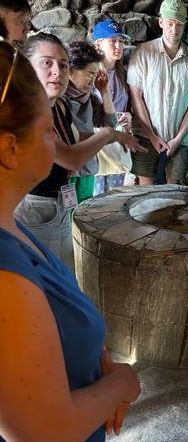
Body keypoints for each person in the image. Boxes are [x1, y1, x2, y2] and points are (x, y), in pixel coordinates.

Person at [0, 40, 140, 442]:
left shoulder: (13, 224)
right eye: (46, 133)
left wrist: (93, 351)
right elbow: (40, 433)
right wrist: (121, 384)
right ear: (10, 148)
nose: (55, 143)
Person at [16, 33, 144, 267]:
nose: (58, 71)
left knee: (64, 271)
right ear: (27, 68)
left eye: (63, 65)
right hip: (34, 206)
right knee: (47, 280)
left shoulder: (58, 105)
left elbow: (79, 137)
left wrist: (114, 136)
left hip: (58, 203)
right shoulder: (28, 112)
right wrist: (110, 135)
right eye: (47, 63)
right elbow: (72, 158)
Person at [128, 0, 188, 185]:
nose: (174, 29)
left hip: (179, 141)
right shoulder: (143, 53)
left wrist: (178, 139)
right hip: (145, 137)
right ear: (161, 22)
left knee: (173, 197)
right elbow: (136, 98)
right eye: (170, 23)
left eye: (179, 24)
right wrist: (152, 136)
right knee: (143, 195)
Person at [66, 39, 117, 202]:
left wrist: (105, 92)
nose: (93, 80)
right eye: (90, 74)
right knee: (66, 221)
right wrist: (107, 136)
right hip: (67, 173)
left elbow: (110, 125)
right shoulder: (59, 101)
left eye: (95, 74)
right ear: (71, 71)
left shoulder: (88, 98)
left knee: (82, 217)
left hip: (87, 171)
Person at [93, 17, 134, 191]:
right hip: (98, 150)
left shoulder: (121, 73)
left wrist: (129, 116)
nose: (118, 46)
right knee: (94, 202)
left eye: (121, 41)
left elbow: (126, 107)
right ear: (98, 44)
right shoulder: (90, 74)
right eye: (113, 41)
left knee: (115, 202)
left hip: (118, 150)